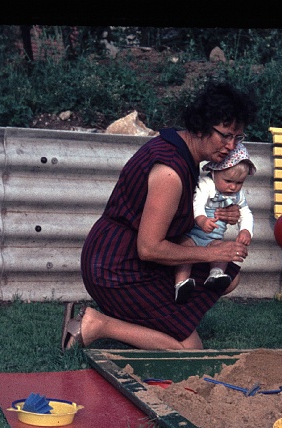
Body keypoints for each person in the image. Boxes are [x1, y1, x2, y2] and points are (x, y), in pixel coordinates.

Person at [61, 80, 258, 352]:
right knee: (190, 351)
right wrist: (216, 252)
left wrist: (218, 214)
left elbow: (172, 218)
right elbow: (150, 248)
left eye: (237, 137)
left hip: (125, 255)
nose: (230, 146)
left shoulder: (182, 151)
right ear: (201, 125)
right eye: (224, 135)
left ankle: (150, 318)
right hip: (114, 268)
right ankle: (98, 324)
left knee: (229, 278)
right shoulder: (170, 172)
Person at [174, 143, 256, 303]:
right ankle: (181, 283)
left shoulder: (237, 194)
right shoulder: (206, 184)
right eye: (228, 181)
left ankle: (216, 275)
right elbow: (197, 203)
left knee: (222, 251)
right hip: (194, 235)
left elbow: (246, 212)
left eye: (239, 183)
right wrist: (202, 219)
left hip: (213, 238)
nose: (233, 187)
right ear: (214, 172)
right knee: (185, 250)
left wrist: (245, 230)